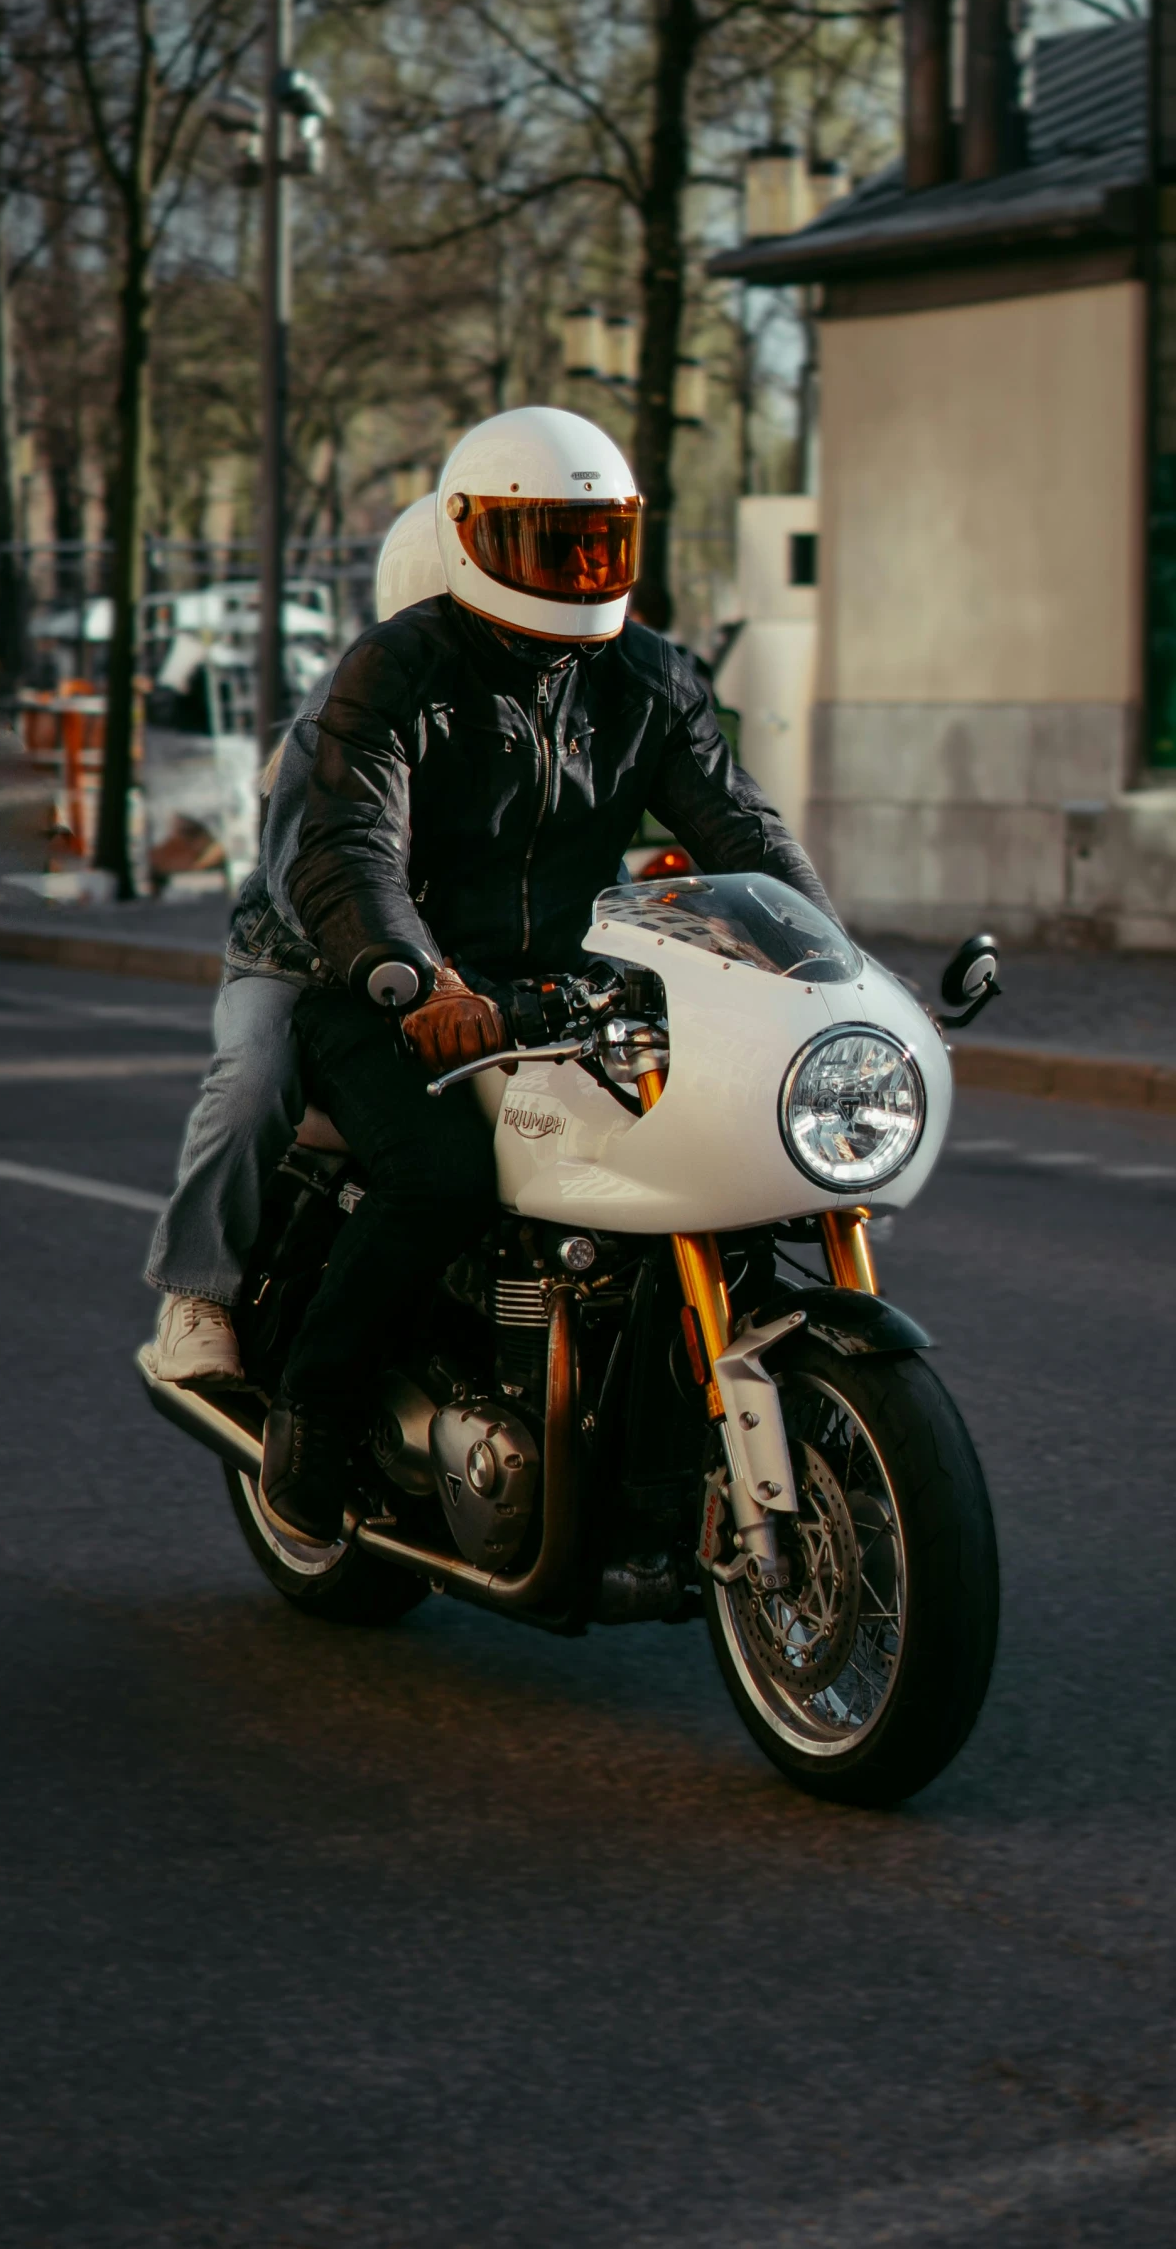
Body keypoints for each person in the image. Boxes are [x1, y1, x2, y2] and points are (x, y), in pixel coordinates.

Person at [260, 404, 836, 1546]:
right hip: (387, 996)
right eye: (545, 542)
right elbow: (349, 845)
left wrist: (830, 959)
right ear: (471, 535)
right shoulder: (398, 666)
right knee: (441, 1179)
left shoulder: (651, 676)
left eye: (597, 541)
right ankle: (311, 1419)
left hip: (568, 996)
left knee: (721, 1162)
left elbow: (744, 832)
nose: (576, 571)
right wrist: (413, 976)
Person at [141, 494, 446, 1385]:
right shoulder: (352, 698)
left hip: (429, 968)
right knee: (255, 1082)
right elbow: (309, 878)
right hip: (300, 965)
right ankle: (197, 1292)